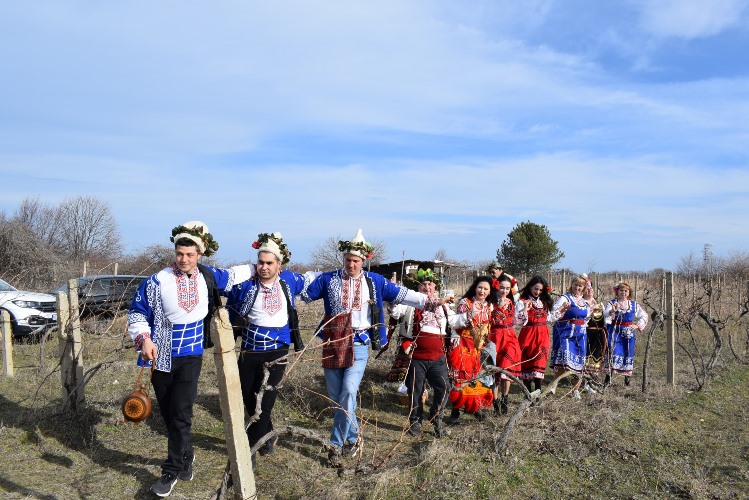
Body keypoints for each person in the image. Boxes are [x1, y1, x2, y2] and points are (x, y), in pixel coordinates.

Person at [300, 229, 453, 466]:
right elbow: (304, 294)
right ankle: (354, 436)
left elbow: (404, 295)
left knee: (349, 391)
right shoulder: (329, 279)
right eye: (348, 260)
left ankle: (336, 444)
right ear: (344, 259)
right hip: (333, 341)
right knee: (336, 396)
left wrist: (430, 301)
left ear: (364, 261)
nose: (351, 264)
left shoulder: (375, 282)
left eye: (356, 261)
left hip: (359, 343)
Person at [128, 221, 253, 498]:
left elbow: (235, 275)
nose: (184, 259)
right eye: (180, 253)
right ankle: (187, 453)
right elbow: (136, 314)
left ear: (200, 254)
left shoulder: (208, 277)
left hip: (192, 356)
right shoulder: (157, 281)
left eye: (190, 254)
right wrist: (145, 339)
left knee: (182, 411)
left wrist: (264, 262)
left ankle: (171, 470)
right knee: (169, 413)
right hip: (160, 357)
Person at [225, 232, 315, 470]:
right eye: (260, 262)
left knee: (265, 401)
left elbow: (316, 282)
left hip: (278, 351)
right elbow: (226, 303)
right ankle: (269, 434)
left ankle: (250, 450)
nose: (264, 267)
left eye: (269, 263)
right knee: (248, 398)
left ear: (279, 264)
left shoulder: (289, 283)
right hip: (250, 350)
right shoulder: (245, 286)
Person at [387, 268, 457, 438]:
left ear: (435, 286)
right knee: (415, 390)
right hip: (416, 356)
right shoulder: (409, 304)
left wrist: (471, 316)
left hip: (438, 357)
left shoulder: (445, 306)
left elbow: (455, 322)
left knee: (444, 386)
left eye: (430, 284)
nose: (427, 287)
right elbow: (395, 312)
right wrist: (393, 295)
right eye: (423, 284)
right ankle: (416, 420)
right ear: (418, 288)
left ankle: (436, 416)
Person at [447, 275, 496, 424]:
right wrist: (473, 314)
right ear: (475, 288)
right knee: (460, 377)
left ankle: (472, 407)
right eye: (480, 287)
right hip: (462, 343)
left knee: (475, 377)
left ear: (489, 292)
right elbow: (460, 323)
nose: (482, 291)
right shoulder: (465, 302)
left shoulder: (489, 307)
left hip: (476, 347)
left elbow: (487, 327)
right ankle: (455, 412)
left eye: (485, 289)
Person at [549, 275, 593, 395]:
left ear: (583, 288)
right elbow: (554, 314)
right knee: (564, 359)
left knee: (579, 363)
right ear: (571, 284)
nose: (577, 287)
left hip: (580, 335)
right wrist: (563, 309)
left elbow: (586, 318)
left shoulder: (584, 302)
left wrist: (591, 314)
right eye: (575, 284)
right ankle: (553, 385)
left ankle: (576, 390)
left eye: (580, 286)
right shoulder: (565, 298)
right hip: (566, 333)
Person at [603, 281, 649, 386]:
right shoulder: (612, 303)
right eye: (621, 290)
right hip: (614, 331)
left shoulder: (633, 304)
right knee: (611, 352)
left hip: (628, 333)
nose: (623, 293)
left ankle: (627, 377)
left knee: (627, 353)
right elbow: (605, 313)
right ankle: (608, 377)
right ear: (617, 291)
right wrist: (611, 312)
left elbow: (644, 315)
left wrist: (637, 325)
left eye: (625, 291)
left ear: (629, 293)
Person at [514, 276, 554, 392]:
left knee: (539, 362)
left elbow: (550, 318)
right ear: (530, 287)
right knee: (527, 362)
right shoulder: (522, 302)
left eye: (540, 290)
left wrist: (561, 310)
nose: (538, 292)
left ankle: (538, 391)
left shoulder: (544, 302)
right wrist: (525, 309)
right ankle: (528, 392)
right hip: (528, 334)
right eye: (536, 289)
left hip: (543, 335)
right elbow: (519, 321)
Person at [489, 277, 521, 414]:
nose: (505, 291)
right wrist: (500, 306)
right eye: (502, 287)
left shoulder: (512, 302)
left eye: (507, 288)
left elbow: (518, 321)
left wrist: (524, 310)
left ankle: (505, 398)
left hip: (509, 337)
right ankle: (495, 402)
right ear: (496, 287)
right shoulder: (490, 303)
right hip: (495, 336)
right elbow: (491, 320)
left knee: (507, 367)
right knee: (495, 370)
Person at [583, 277, 606, 387]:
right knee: (587, 356)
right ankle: (585, 380)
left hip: (599, 335)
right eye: (586, 288)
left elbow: (606, 318)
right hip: (587, 334)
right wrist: (592, 308)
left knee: (596, 356)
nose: (589, 290)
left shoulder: (599, 303)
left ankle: (594, 378)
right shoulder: (582, 303)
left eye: (591, 288)